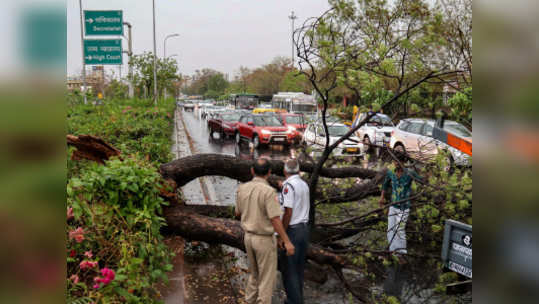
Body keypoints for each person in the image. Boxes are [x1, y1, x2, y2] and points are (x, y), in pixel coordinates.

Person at [235, 158, 295, 304]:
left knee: (254, 275)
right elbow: (275, 219)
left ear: (252, 171)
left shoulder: (242, 188)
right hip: (264, 240)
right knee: (267, 280)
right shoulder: (268, 191)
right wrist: (287, 241)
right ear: (269, 172)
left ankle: (248, 301)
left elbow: (237, 213)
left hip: (248, 237)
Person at [278, 159, 310, 304]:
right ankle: (298, 299)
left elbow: (288, 212)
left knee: (289, 271)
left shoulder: (288, 186)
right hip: (304, 230)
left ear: (285, 171)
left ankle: (293, 301)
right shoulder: (303, 184)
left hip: (292, 231)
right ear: (298, 171)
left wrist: (282, 236)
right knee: (298, 270)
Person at [379, 162, 421, 258]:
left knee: (399, 230)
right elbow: (385, 185)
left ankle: (402, 254)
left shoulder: (409, 173)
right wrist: (382, 197)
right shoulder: (391, 172)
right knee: (390, 229)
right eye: (395, 162)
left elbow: (421, 181)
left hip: (404, 207)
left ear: (403, 162)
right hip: (393, 206)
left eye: (399, 162)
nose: (396, 164)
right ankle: (392, 251)